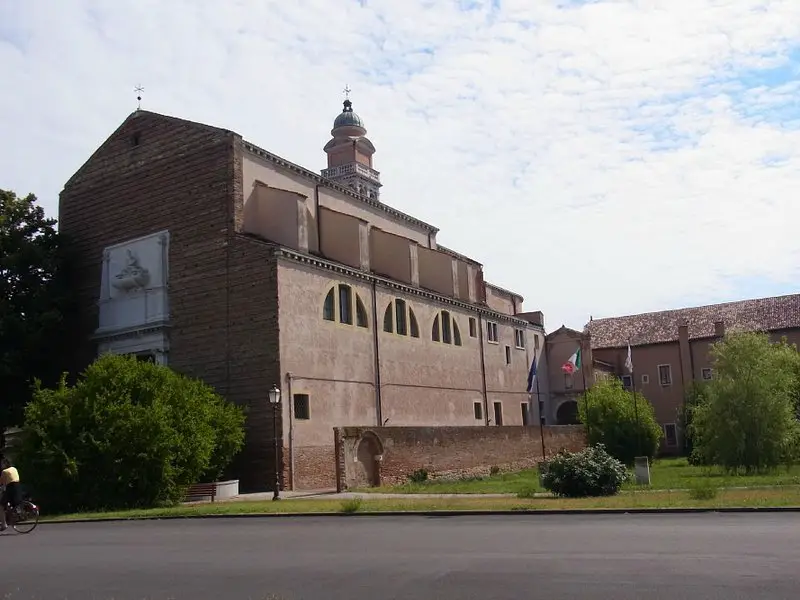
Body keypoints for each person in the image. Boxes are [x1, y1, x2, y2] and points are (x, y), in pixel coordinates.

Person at [0, 457, 21, 532]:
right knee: (14, 502)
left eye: (2, 463)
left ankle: (4, 524)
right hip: (17, 487)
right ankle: (16, 512)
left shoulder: (4, 471)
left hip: (10, 489)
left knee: (1, 506)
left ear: (5, 464)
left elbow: (1, 482)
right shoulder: (14, 468)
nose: (1, 465)